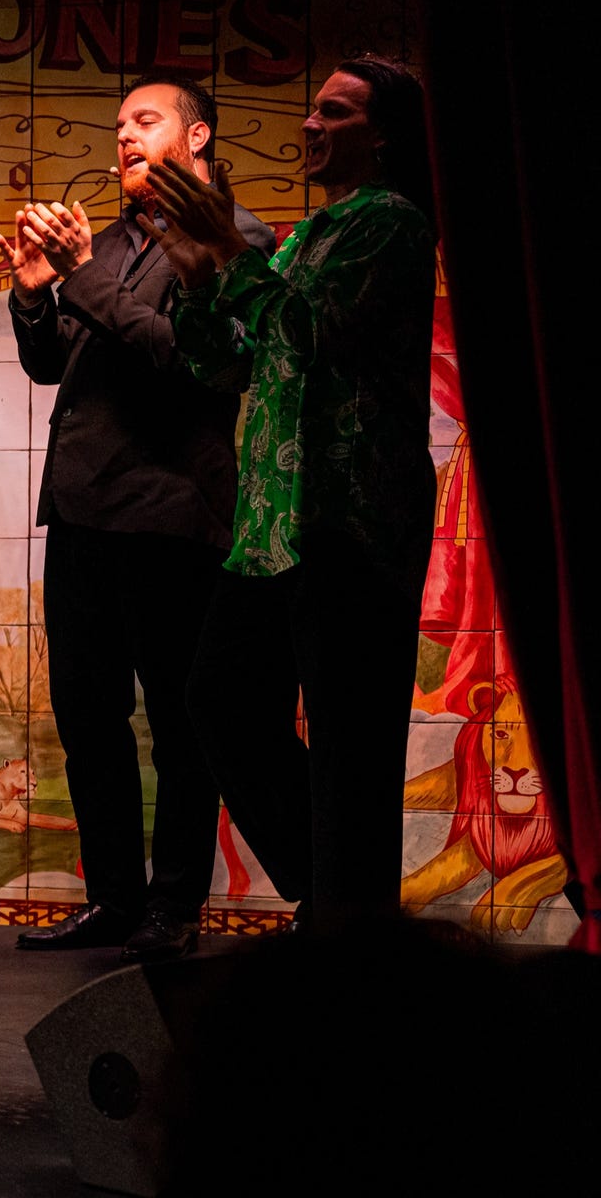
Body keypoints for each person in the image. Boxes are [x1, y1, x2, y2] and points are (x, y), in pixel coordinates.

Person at [143, 56, 436, 930]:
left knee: (353, 740)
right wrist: (197, 275)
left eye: (334, 112)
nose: (309, 124)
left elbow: (315, 336)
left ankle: (349, 924)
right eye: (312, 109)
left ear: (381, 135)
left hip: (353, 513)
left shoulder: (392, 223)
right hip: (274, 519)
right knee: (218, 699)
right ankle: (337, 892)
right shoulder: (309, 236)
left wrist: (230, 250)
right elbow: (228, 362)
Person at [0, 78, 277, 961]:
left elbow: (180, 359)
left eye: (144, 122)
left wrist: (80, 280)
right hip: (82, 507)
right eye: (117, 125)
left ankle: (175, 905)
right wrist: (37, 294)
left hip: (170, 508)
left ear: (197, 136)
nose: (122, 136)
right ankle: (113, 899)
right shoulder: (109, 241)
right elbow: (51, 368)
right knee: (87, 718)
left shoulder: (235, 238)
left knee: (178, 723)